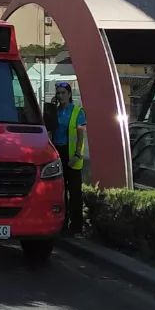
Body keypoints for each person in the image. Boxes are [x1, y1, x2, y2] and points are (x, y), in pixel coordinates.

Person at [50, 81, 86, 235]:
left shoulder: (77, 111)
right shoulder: (55, 111)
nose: (60, 96)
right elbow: (48, 126)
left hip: (72, 154)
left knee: (75, 191)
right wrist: (50, 108)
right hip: (57, 152)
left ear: (69, 95)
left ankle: (76, 226)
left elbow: (80, 135)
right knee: (60, 191)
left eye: (63, 93)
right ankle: (62, 223)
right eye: (58, 93)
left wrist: (77, 154)